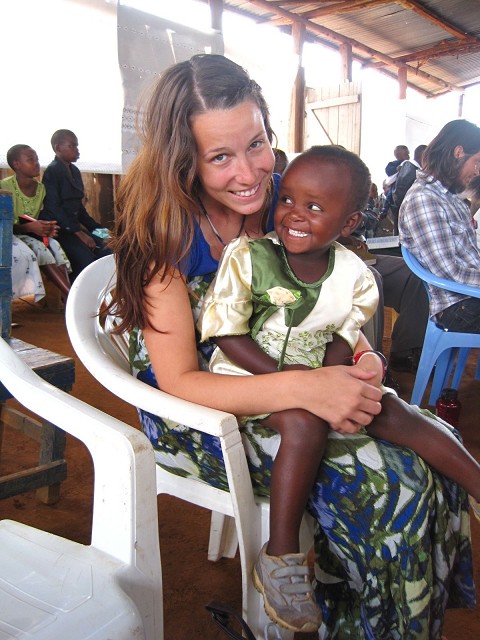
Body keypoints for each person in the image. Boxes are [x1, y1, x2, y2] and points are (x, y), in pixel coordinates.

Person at [107, 54, 474, 639]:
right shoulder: (167, 233)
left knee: (428, 445)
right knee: (391, 482)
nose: (249, 173)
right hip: (203, 410)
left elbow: (329, 303)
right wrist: (308, 387)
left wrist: (363, 357)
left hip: (296, 372)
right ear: (184, 161)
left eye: (256, 144)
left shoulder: (289, 200)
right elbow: (180, 381)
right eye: (220, 157)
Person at [198, 144, 480, 632]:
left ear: (348, 223)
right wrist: (298, 385)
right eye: (288, 199)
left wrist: (342, 382)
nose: (294, 214)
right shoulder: (249, 257)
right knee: (304, 423)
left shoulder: (354, 276)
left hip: (316, 374)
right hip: (249, 377)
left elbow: (339, 341)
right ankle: (280, 554)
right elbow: (227, 335)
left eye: (315, 206)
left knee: (392, 409)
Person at [400, 119, 480, 333]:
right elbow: (450, 271)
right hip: (459, 306)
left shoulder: (451, 198)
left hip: (471, 298)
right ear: (459, 152)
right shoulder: (424, 198)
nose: (478, 172)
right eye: (477, 162)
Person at [0, 144, 71, 298]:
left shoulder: (41, 189)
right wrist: (30, 228)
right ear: (16, 164)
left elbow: (38, 219)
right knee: (39, 248)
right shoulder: (4, 187)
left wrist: (46, 228)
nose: (36, 163)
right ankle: (71, 296)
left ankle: (68, 299)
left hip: (29, 234)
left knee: (55, 246)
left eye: (37, 159)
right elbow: (3, 225)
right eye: (30, 160)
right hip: (7, 236)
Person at [41, 129, 111, 280]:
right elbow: (54, 208)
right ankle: (79, 292)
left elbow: (80, 210)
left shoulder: (74, 171)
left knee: (108, 249)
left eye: (76, 146)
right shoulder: (52, 172)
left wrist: (102, 232)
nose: (77, 150)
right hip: (59, 230)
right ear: (58, 148)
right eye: (72, 146)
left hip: (76, 228)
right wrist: (78, 233)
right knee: (86, 260)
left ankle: (105, 292)